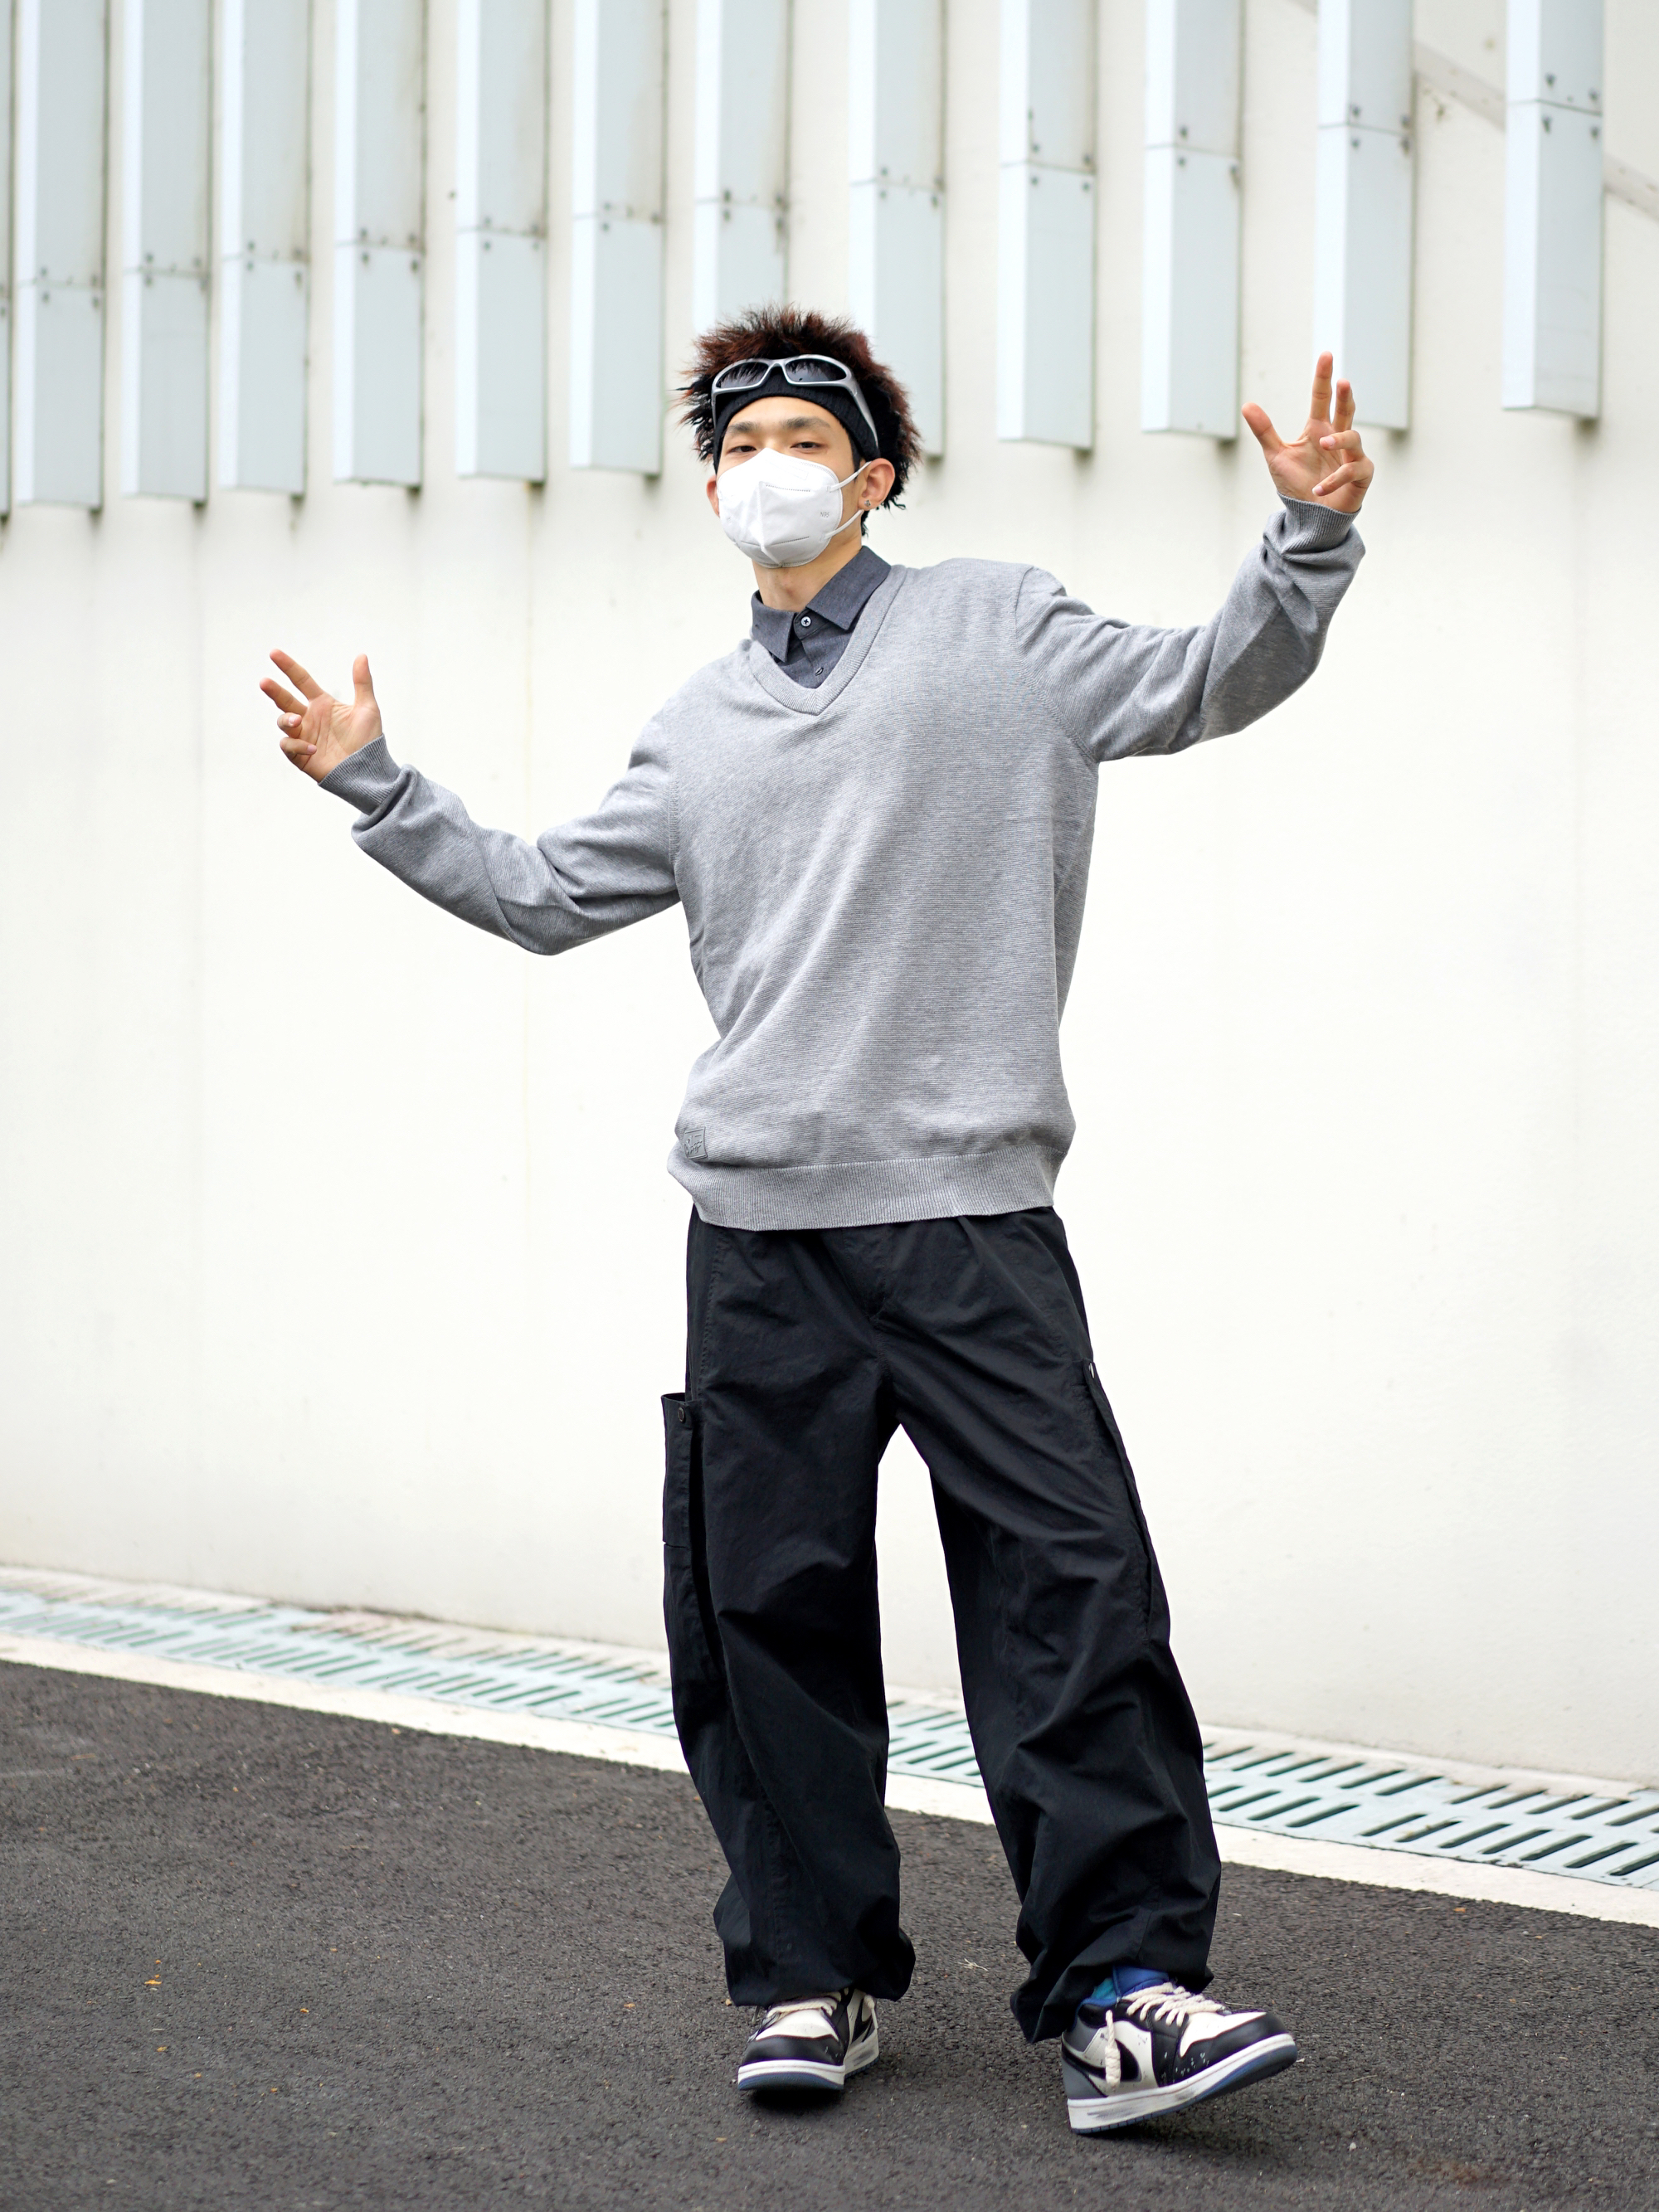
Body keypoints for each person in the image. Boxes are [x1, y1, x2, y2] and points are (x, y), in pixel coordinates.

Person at [260, 306, 1372, 2135]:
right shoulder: (695, 730)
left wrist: (1308, 534)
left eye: (799, 437)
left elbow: (1203, 680)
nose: (762, 467)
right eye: (736, 444)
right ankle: (811, 1973)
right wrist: (379, 784)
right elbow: (542, 895)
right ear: (712, 488)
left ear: (871, 476)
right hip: (759, 1235)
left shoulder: (1003, 629)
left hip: (970, 1220)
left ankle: (1121, 1994)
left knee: (1071, 1587)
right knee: (764, 1608)